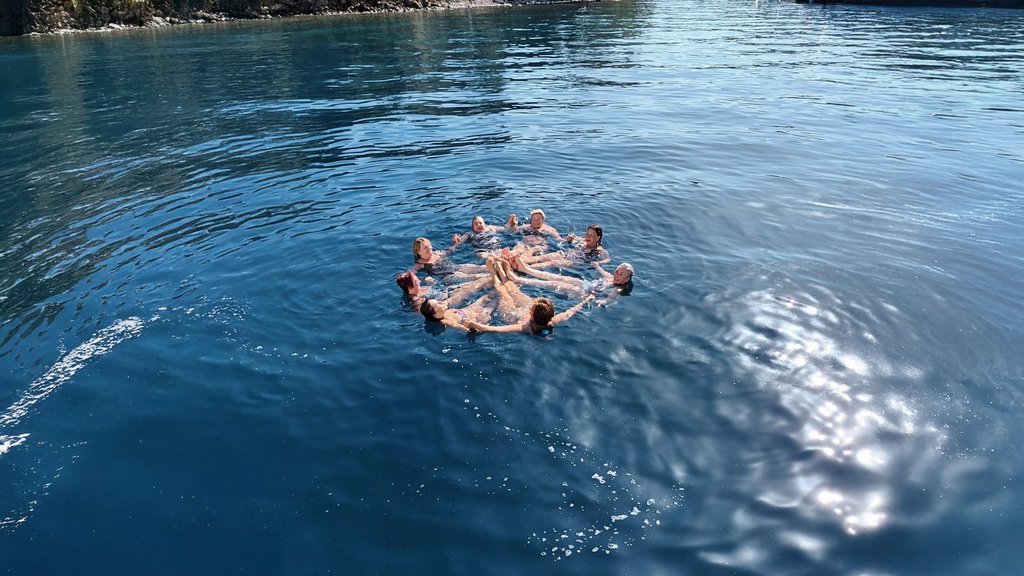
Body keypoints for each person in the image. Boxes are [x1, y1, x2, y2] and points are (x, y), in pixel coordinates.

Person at [465, 295, 594, 335]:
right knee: (510, 294)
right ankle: (502, 274)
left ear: (531, 315)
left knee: (504, 295)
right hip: (519, 315)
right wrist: (586, 300)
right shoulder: (552, 322)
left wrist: (474, 324)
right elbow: (571, 311)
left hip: (514, 315)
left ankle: (497, 276)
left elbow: (496, 329)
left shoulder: (524, 328)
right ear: (552, 314)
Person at [420, 294, 496, 331]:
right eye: (438, 304)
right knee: (494, 303)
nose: (440, 302)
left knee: (487, 297)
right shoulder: (447, 322)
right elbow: (465, 329)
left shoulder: (443, 312)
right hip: (478, 317)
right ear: (436, 314)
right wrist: (474, 326)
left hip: (471, 308)